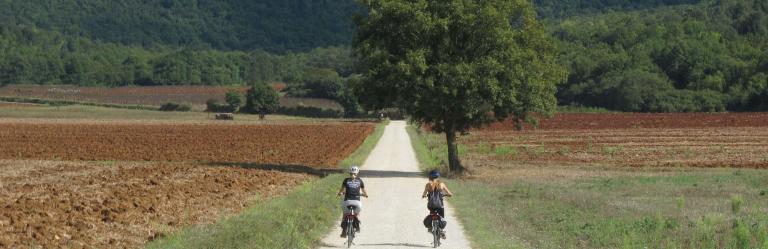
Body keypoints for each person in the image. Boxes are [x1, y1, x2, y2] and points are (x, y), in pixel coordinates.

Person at [337, 165, 368, 238]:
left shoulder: (346, 180)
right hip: (357, 203)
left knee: (345, 215)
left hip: (347, 202)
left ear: (349, 173)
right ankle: (357, 226)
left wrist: (340, 193)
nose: (353, 175)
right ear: (357, 173)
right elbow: (363, 190)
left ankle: (344, 231)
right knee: (357, 214)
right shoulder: (360, 181)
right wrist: (365, 195)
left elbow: (342, 189)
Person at [422, 170, 453, 239]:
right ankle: (442, 230)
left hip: (431, 206)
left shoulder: (428, 185)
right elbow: (450, 193)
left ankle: (430, 227)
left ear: (430, 177)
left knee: (432, 214)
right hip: (439, 206)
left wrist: (424, 195)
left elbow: (424, 193)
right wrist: (448, 195)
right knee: (442, 217)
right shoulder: (442, 184)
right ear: (438, 177)